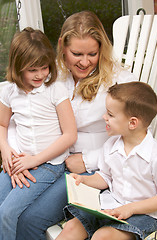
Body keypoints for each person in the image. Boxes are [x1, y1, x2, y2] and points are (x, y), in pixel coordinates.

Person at [12, 11, 137, 240]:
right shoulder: (50, 75)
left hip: (92, 169)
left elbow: (135, 139)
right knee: (14, 211)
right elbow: (18, 112)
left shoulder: (119, 81)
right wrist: (14, 151)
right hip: (50, 161)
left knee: (31, 219)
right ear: (62, 46)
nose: (84, 61)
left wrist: (88, 160)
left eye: (93, 53)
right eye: (76, 53)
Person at [0, 27, 77, 240]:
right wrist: (6, 151)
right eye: (33, 69)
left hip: (49, 165)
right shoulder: (9, 92)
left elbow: (70, 135)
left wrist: (34, 160)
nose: (40, 75)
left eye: (44, 68)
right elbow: (2, 125)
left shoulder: (55, 90)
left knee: (7, 212)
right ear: (18, 67)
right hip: (20, 161)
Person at [57, 81, 157, 240]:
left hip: (142, 215)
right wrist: (84, 179)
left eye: (110, 115)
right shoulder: (111, 145)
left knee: (103, 236)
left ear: (132, 123)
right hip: (110, 205)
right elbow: (105, 177)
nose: (104, 117)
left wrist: (130, 208)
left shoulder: (155, 155)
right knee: (71, 227)